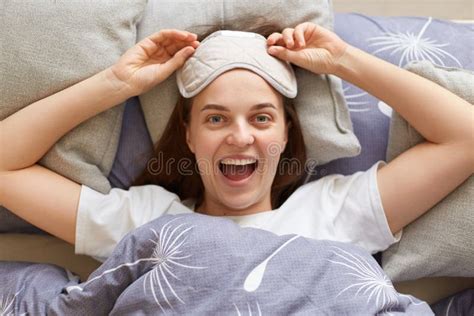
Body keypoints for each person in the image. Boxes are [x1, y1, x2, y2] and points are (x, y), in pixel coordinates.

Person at [0, 22, 472, 262]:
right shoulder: (142, 223)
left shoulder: (333, 213)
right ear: (188, 135)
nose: (240, 136)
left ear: (287, 134)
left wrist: (345, 60)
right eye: (216, 118)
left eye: (262, 118)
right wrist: (117, 85)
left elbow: (464, 138)